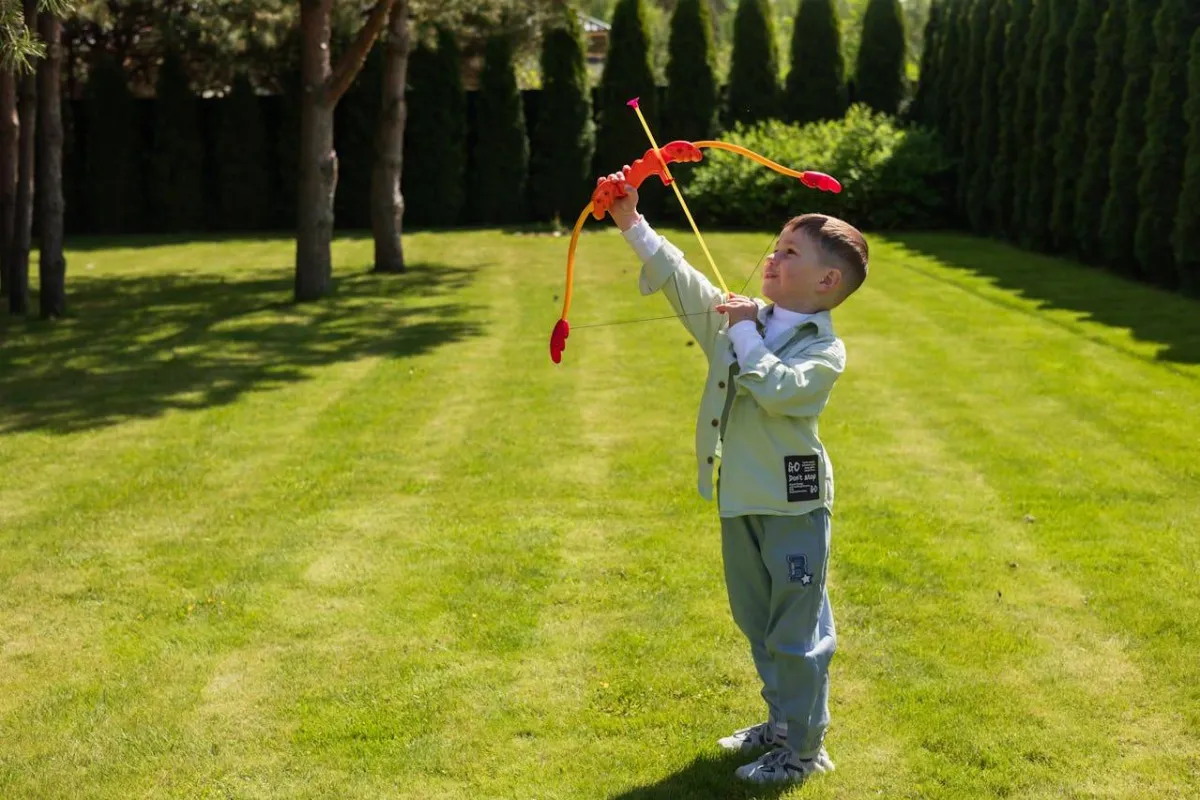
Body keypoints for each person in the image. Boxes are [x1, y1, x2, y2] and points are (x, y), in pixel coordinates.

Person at [604, 176, 869, 785]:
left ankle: (804, 752)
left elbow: (780, 391)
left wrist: (746, 328)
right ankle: (780, 725)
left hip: (794, 504)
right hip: (741, 497)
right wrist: (631, 222)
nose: (773, 258)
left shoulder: (823, 350)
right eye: (776, 247)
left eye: (790, 252)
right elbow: (683, 282)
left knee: (796, 634)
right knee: (757, 621)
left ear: (827, 281)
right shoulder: (743, 320)